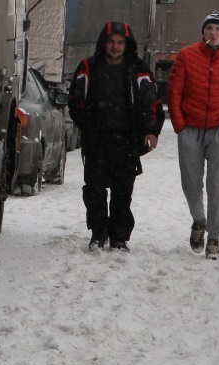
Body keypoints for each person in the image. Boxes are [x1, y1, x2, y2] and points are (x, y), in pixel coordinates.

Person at [68, 21, 164, 251]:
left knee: (123, 191)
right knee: (94, 190)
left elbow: (151, 101)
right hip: (97, 142)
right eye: (111, 42)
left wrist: (151, 130)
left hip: (127, 141)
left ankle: (119, 237)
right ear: (104, 43)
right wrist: (88, 128)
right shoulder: (88, 67)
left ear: (127, 45)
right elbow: (75, 101)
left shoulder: (138, 70)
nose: (115, 46)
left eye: (120, 42)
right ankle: (98, 234)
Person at [168, 12, 219, 261]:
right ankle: (199, 222)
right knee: (191, 184)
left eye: (218, 30)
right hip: (190, 129)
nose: (213, 33)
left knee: (216, 186)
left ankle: (213, 237)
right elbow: (174, 93)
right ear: (203, 31)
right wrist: (180, 126)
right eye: (209, 28)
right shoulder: (187, 56)